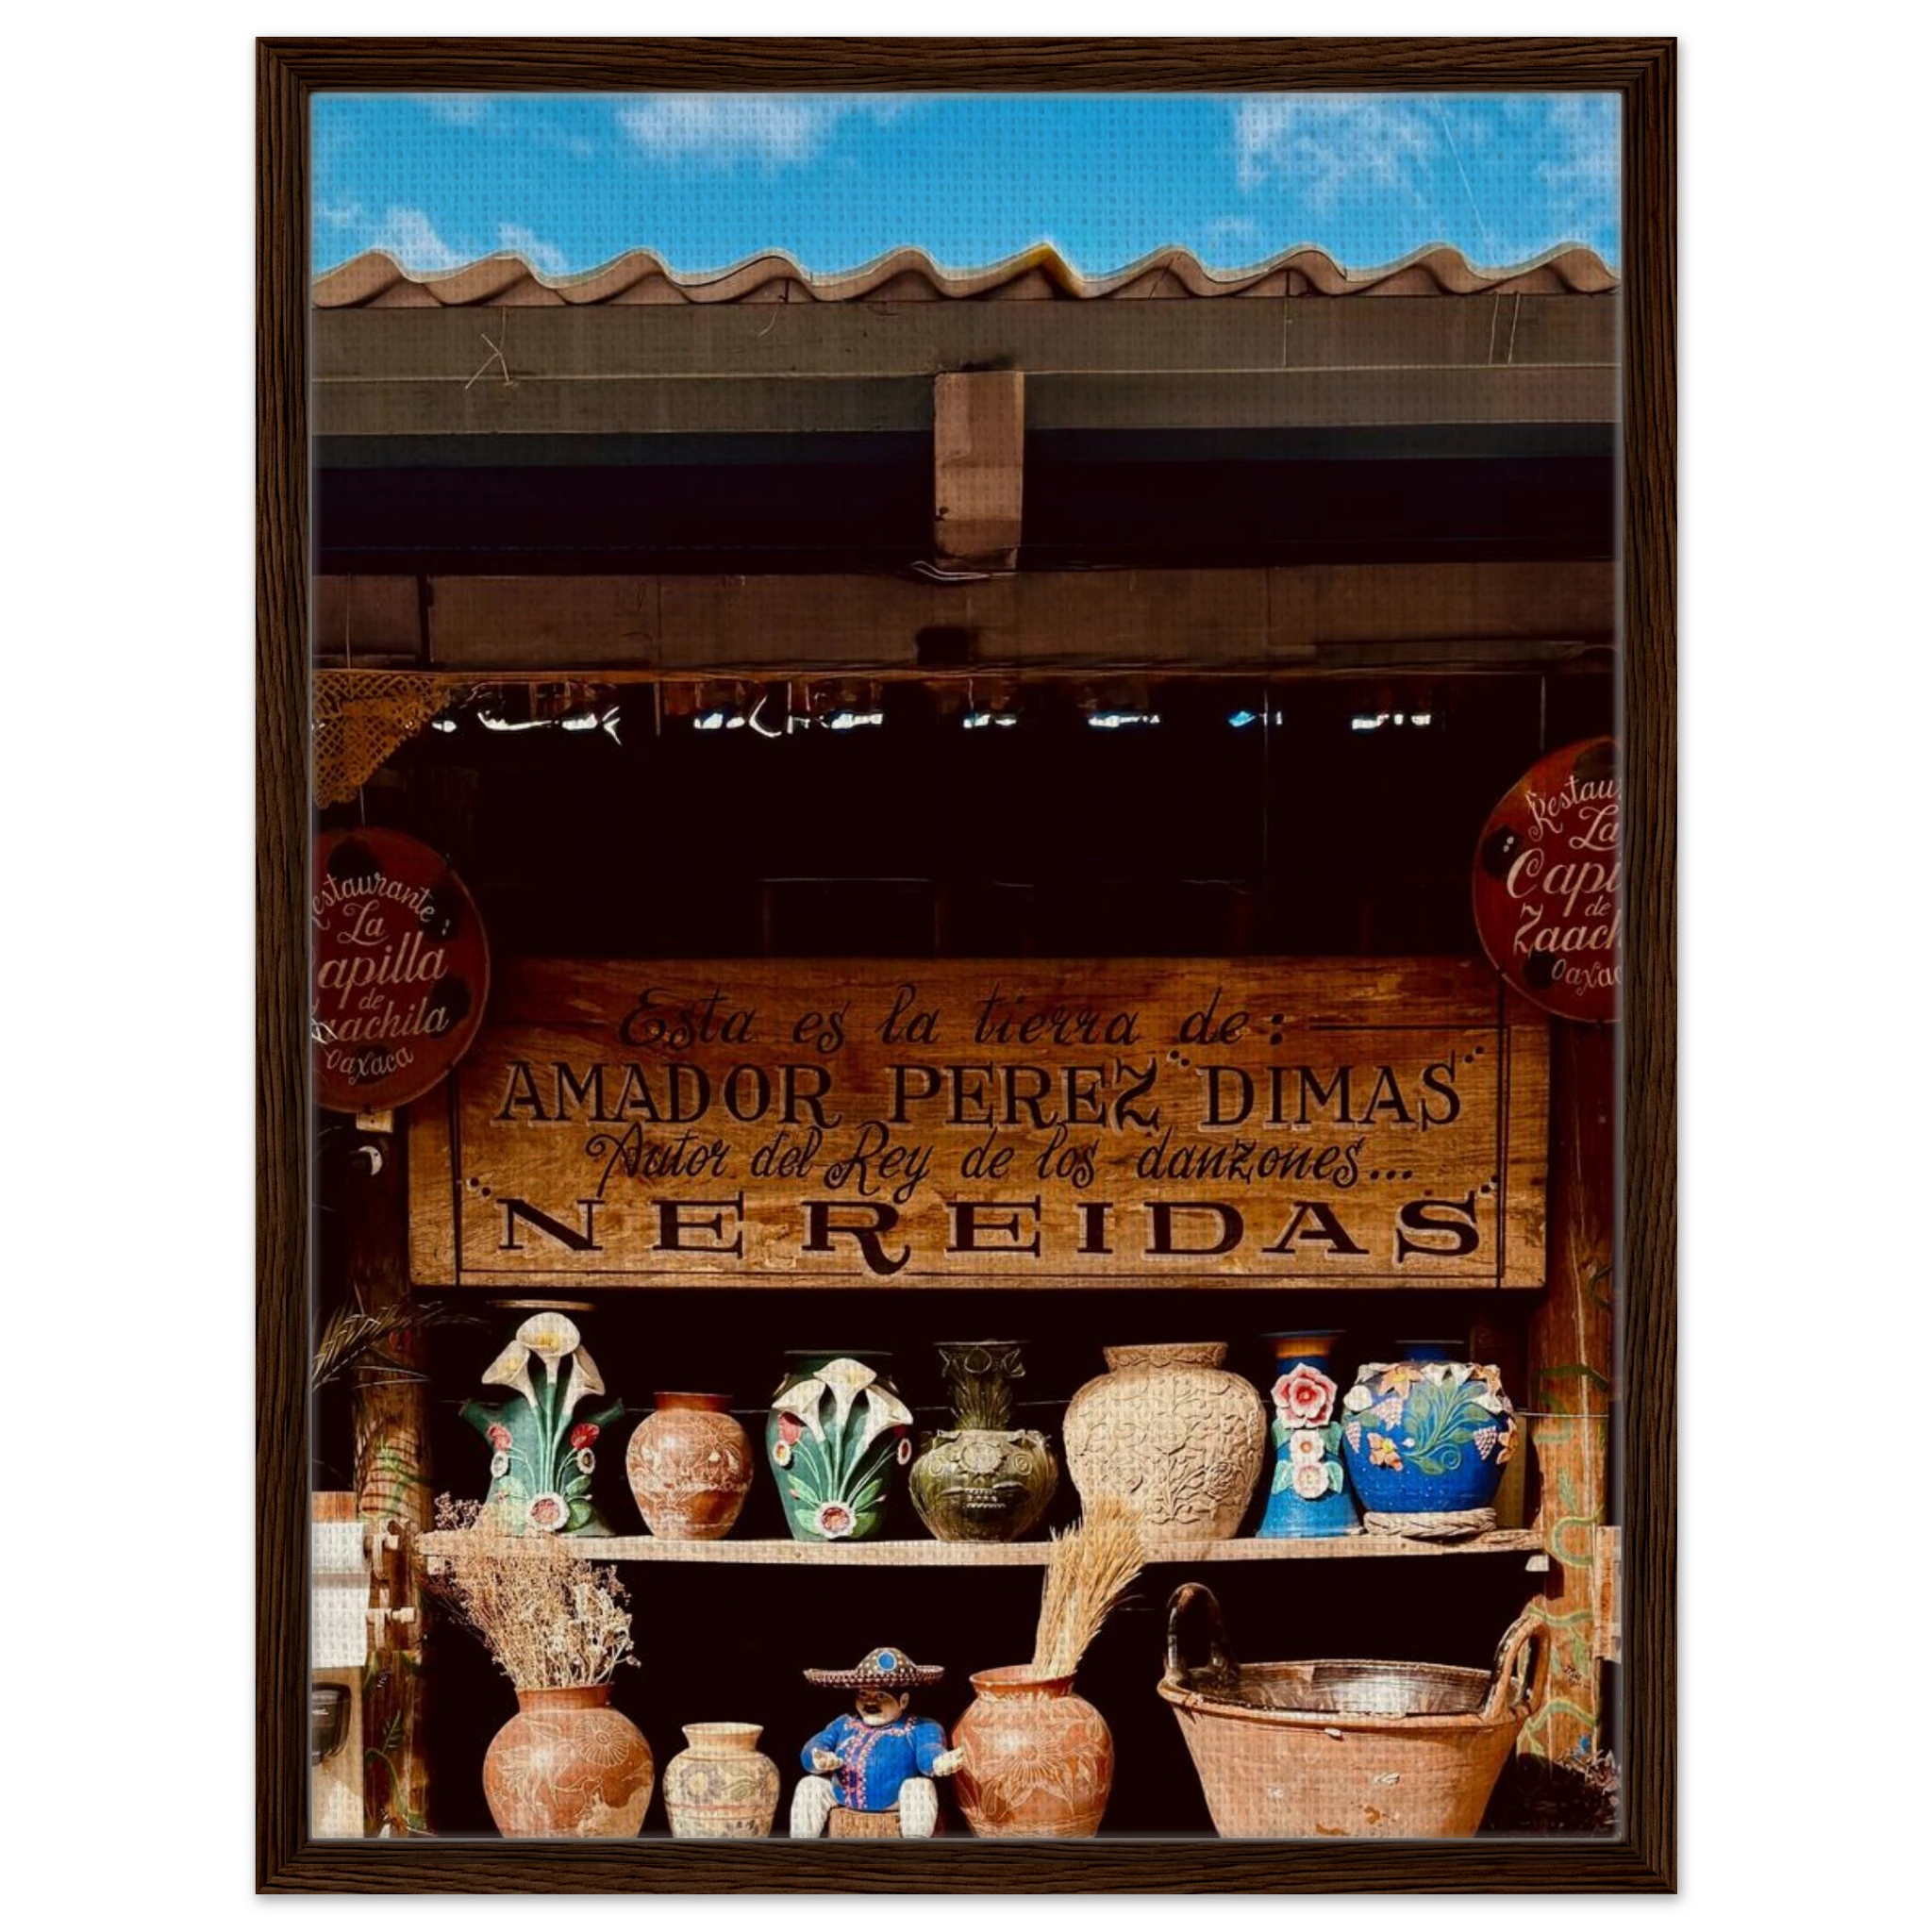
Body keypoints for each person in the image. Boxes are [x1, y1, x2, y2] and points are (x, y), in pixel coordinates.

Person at [790, 1646, 962, 1839]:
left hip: (894, 1800)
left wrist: (939, 1762)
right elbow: (813, 1748)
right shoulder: (844, 1723)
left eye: (881, 1696)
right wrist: (818, 1757)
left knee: (919, 1787)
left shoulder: (921, 1727)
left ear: (903, 1701)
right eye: (863, 1694)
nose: (870, 1702)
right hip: (842, 1795)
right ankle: (800, 1845)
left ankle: (915, 1851)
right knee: (809, 1785)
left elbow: (928, 1752)